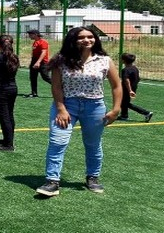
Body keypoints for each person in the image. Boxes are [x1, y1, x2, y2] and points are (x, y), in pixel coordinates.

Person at [35, 26, 122, 197]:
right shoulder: (61, 60)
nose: (87, 40)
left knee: (93, 144)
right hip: (67, 106)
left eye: (90, 36)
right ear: (73, 40)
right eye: (82, 37)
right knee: (57, 141)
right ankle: (52, 181)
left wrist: (116, 109)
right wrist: (61, 108)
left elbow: (116, 86)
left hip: (95, 107)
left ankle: (93, 177)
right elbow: (56, 87)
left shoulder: (104, 60)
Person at [0, 35, 20, 151]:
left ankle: (8, 144)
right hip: (12, 88)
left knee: (3, 116)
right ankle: (8, 138)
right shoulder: (15, 57)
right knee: (9, 114)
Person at [118, 53, 153, 122]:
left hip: (127, 89)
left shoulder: (125, 70)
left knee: (125, 103)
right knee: (124, 102)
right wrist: (133, 87)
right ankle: (124, 115)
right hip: (133, 87)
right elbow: (138, 78)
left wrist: (130, 90)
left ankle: (146, 113)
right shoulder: (135, 68)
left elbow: (126, 80)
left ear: (123, 60)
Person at [25, 29, 51, 97]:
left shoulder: (43, 42)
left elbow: (44, 52)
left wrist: (38, 62)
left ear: (35, 34)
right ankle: (34, 93)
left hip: (42, 62)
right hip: (34, 61)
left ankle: (61, 88)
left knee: (45, 77)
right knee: (33, 77)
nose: (29, 36)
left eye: (30, 34)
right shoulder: (35, 42)